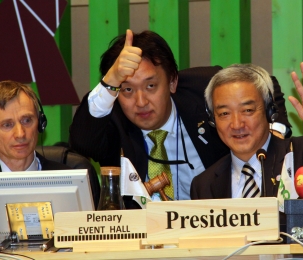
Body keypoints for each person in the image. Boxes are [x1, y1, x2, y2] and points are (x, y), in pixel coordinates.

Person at [69, 29, 291, 208]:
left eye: (151, 86)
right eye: (126, 90)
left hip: (216, 227)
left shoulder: (202, 89)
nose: (140, 101)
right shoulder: (112, 120)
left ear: (172, 82)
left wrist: (274, 136)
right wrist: (111, 82)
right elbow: (82, 141)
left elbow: (263, 85)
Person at [190, 63, 303, 200]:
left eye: (248, 110)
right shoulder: (203, 186)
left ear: (270, 111)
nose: (237, 124)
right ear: (213, 120)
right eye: (224, 113)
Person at [0, 80, 70, 172]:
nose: (20, 134)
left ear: (40, 123)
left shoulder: (66, 179)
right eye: (7, 125)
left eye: (27, 120)